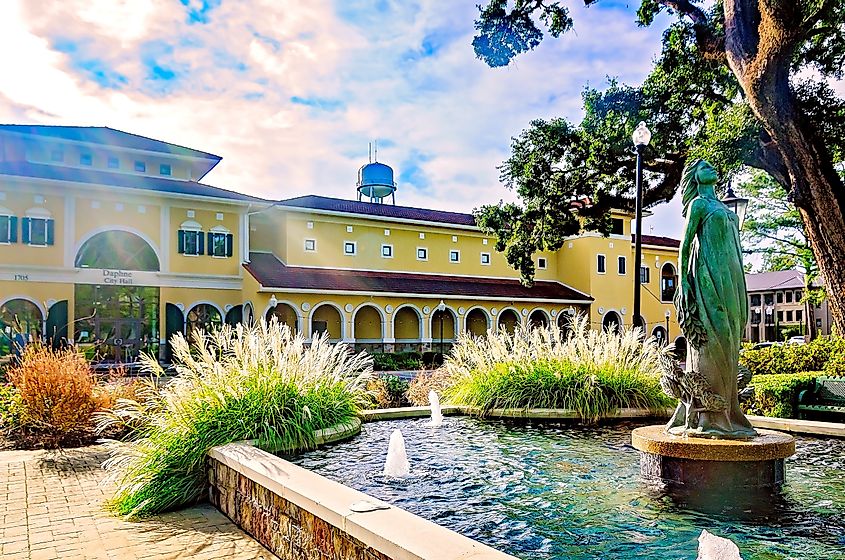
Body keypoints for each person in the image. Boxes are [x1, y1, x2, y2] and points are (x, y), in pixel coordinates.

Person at [666, 159, 756, 438]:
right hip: (708, 275)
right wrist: (683, 284)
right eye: (705, 167)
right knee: (712, 338)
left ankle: (729, 411)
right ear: (695, 177)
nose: (712, 168)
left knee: (731, 337)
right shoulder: (699, 205)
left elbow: (736, 249)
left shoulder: (726, 210)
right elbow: (685, 245)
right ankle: (708, 416)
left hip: (731, 278)